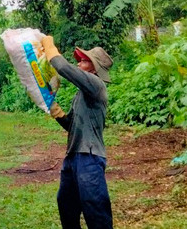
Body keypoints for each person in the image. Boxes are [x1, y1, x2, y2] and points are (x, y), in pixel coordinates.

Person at [41, 35, 114, 229]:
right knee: (66, 205)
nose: (79, 63)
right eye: (79, 60)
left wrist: (50, 49)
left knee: (95, 209)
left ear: (94, 68)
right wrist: (57, 112)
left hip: (90, 157)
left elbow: (64, 68)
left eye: (84, 60)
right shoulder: (82, 93)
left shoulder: (96, 85)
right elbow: (71, 126)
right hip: (73, 156)